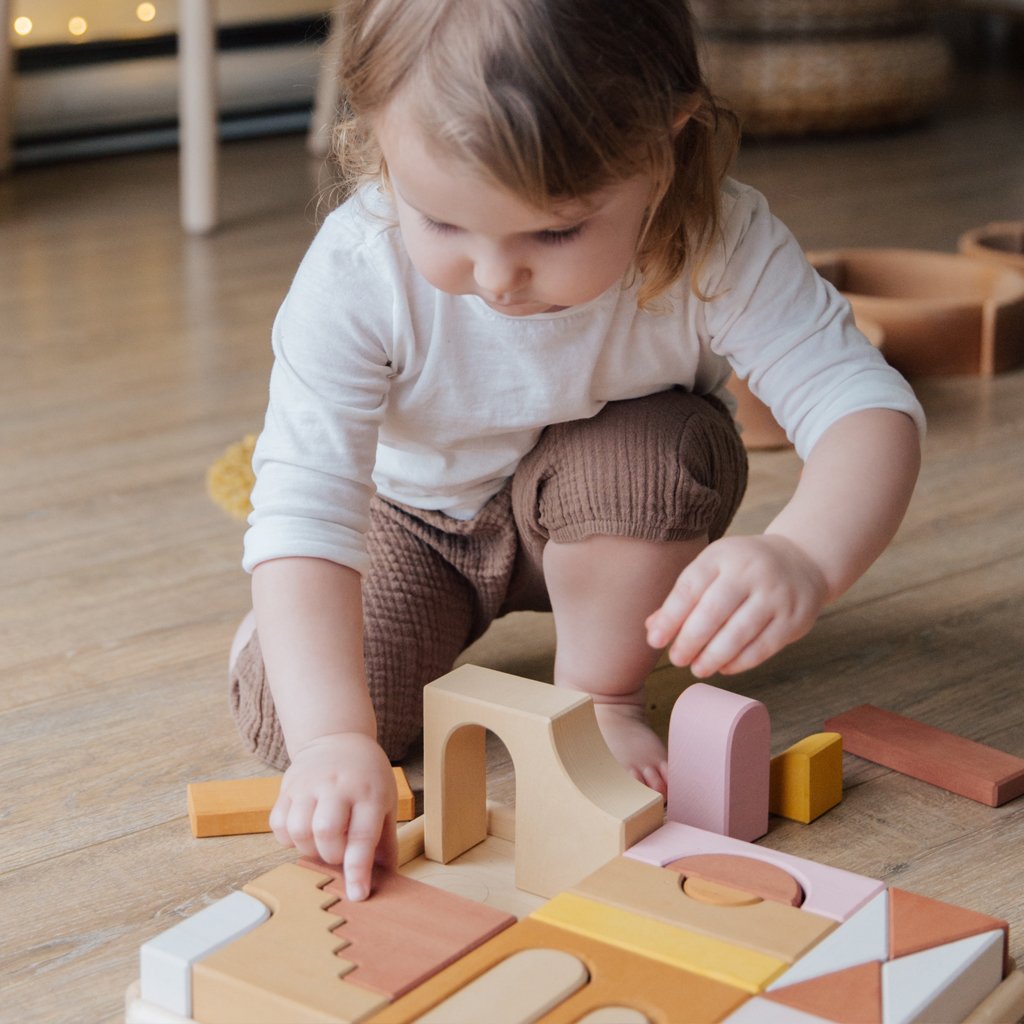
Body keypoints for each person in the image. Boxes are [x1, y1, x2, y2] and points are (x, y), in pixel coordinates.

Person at [229, 0, 924, 901]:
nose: (494, 278)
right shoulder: (358, 272)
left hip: (604, 501)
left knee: (657, 448)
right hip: (413, 521)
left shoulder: (717, 237)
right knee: (309, 727)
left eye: (553, 232)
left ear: (665, 146)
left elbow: (864, 407)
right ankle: (285, 642)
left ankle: (601, 698)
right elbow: (305, 506)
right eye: (440, 221)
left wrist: (805, 553)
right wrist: (331, 741)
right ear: (379, 145)